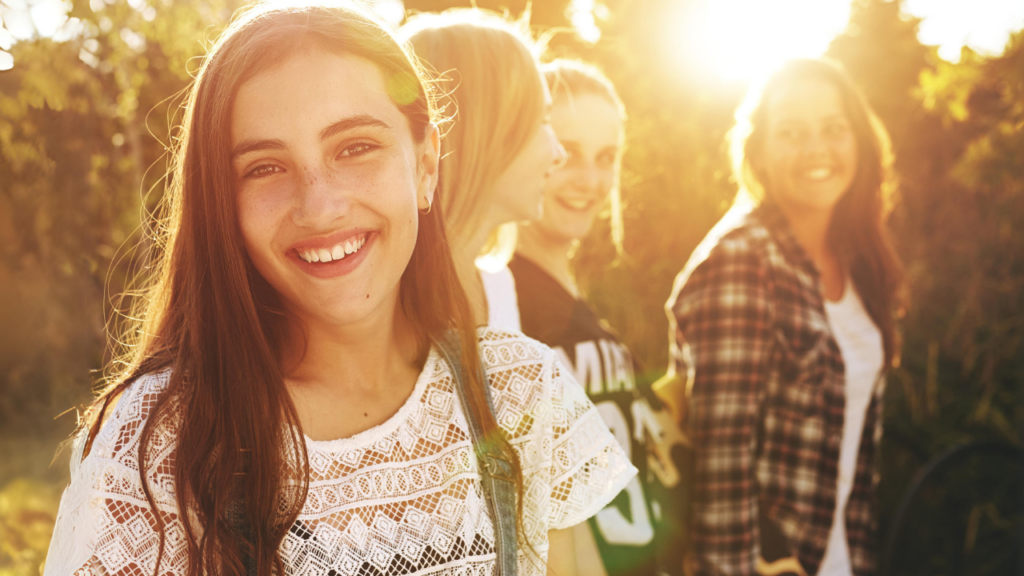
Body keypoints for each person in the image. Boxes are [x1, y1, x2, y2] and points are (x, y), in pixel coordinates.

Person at [42, 3, 636, 575]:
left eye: (355, 148)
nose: (319, 206)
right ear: (223, 204)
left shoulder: (519, 393)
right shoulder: (162, 443)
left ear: (426, 166)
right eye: (265, 167)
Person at [657, 59, 904, 576]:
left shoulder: (856, 259)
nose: (816, 149)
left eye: (833, 129)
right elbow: (720, 471)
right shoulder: (744, 261)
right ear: (761, 156)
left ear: (857, 140)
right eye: (791, 133)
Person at [511, 59, 690, 576]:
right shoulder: (501, 301)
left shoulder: (575, 303)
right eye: (566, 154)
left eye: (606, 157)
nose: (589, 179)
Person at [398, 9, 566, 330]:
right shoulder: (383, 305)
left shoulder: (498, 288)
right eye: (543, 121)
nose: (559, 154)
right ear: (486, 133)